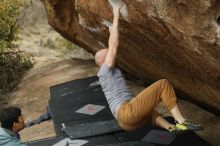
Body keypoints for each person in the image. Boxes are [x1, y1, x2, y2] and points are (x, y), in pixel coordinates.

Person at [96, 4, 203, 134]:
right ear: (102, 61)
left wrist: (112, 32)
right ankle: (181, 122)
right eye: (108, 54)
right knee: (163, 84)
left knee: (148, 109)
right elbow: (113, 45)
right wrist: (116, 13)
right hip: (126, 113)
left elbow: (112, 45)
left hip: (126, 123)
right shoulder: (105, 71)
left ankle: (171, 128)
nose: (112, 54)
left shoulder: (106, 74)